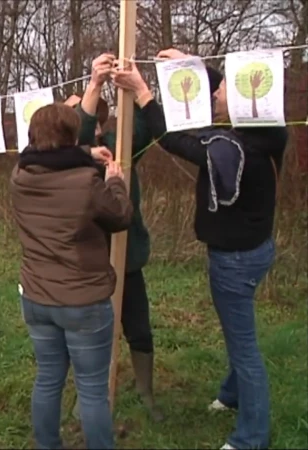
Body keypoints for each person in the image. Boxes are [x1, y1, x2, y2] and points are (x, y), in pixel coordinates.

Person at [112, 48, 288, 450]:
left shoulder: (234, 148)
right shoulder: (271, 131)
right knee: (237, 331)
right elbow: (218, 102)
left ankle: (251, 438)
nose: (217, 92)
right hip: (258, 249)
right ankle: (231, 395)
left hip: (235, 260)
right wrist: (190, 65)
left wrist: (142, 92)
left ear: (242, 100)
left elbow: (175, 142)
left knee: (245, 350)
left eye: (223, 86)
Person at [11, 102, 132, 449]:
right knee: (92, 390)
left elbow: (33, 154)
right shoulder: (86, 181)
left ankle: (48, 445)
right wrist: (116, 183)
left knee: (48, 379)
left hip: (36, 298)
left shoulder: (19, 174)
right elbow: (120, 216)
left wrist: (84, 153)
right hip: (83, 302)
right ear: (72, 136)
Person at [73, 53, 163, 421]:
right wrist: (93, 83)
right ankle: (87, 395)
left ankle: (144, 390)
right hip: (87, 262)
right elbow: (73, 136)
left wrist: (138, 86)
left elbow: (147, 127)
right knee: (87, 333)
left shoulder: (119, 143)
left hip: (127, 257)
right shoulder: (69, 157)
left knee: (138, 326)